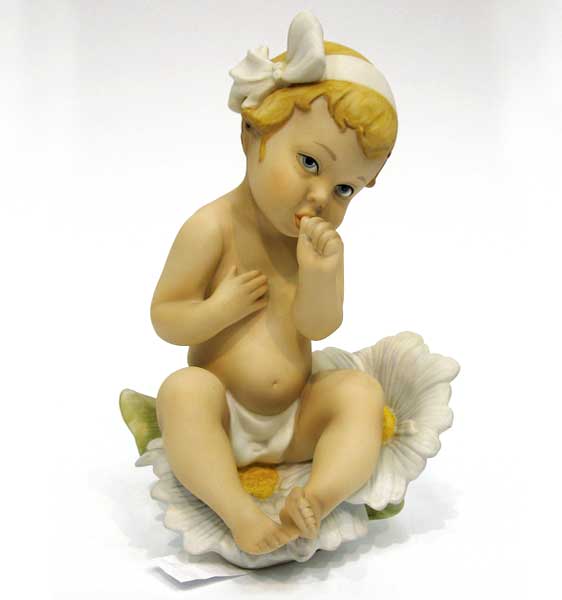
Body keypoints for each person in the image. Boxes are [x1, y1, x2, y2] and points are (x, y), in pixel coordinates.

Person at [150, 11, 398, 556]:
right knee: (182, 392)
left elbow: (318, 326)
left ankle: (315, 499)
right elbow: (166, 317)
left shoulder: (316, 245)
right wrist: (218, 310)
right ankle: (239, 513)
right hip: (223, 418)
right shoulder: (212, 228)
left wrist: (321, 276)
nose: (322, 198)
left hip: (295, 420)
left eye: (346, 190)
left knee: (360, 394)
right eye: (309, 162)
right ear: (252, 131)